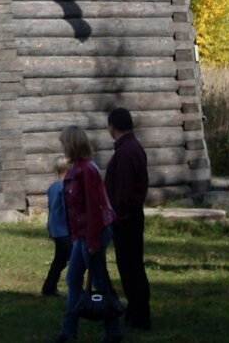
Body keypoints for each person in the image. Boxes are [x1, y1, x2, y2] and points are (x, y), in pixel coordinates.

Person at [51, 125, 123, 343]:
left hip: (94, 233)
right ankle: (69, 330)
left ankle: (112, 330)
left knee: (100, 283)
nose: (62, 147)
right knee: (74, 278)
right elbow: (74, 209)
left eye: (64, 143)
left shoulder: (87, 170)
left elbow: (94, 207)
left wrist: (91, 241)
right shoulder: (75, 169)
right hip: (82, 235)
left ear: (72, 144)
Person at [104, 107, 151, 331]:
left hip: (126, 218)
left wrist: (118, 216)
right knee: (134, 266)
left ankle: (138, 315)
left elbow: (123, 191)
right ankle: (137, 312)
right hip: (132, 215)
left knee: (130, 267)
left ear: (113, 126)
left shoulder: (125, 152)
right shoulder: (134, 147)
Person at [42, 156, 72, 297]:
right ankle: (74, 287)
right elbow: (67, 210)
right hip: (65, 230)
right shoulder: (65, 187)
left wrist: (50, 227)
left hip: (57, 229)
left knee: (60, 260)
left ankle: (49, 287)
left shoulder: (52, 187)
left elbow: (51, 209)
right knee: (69, 259)